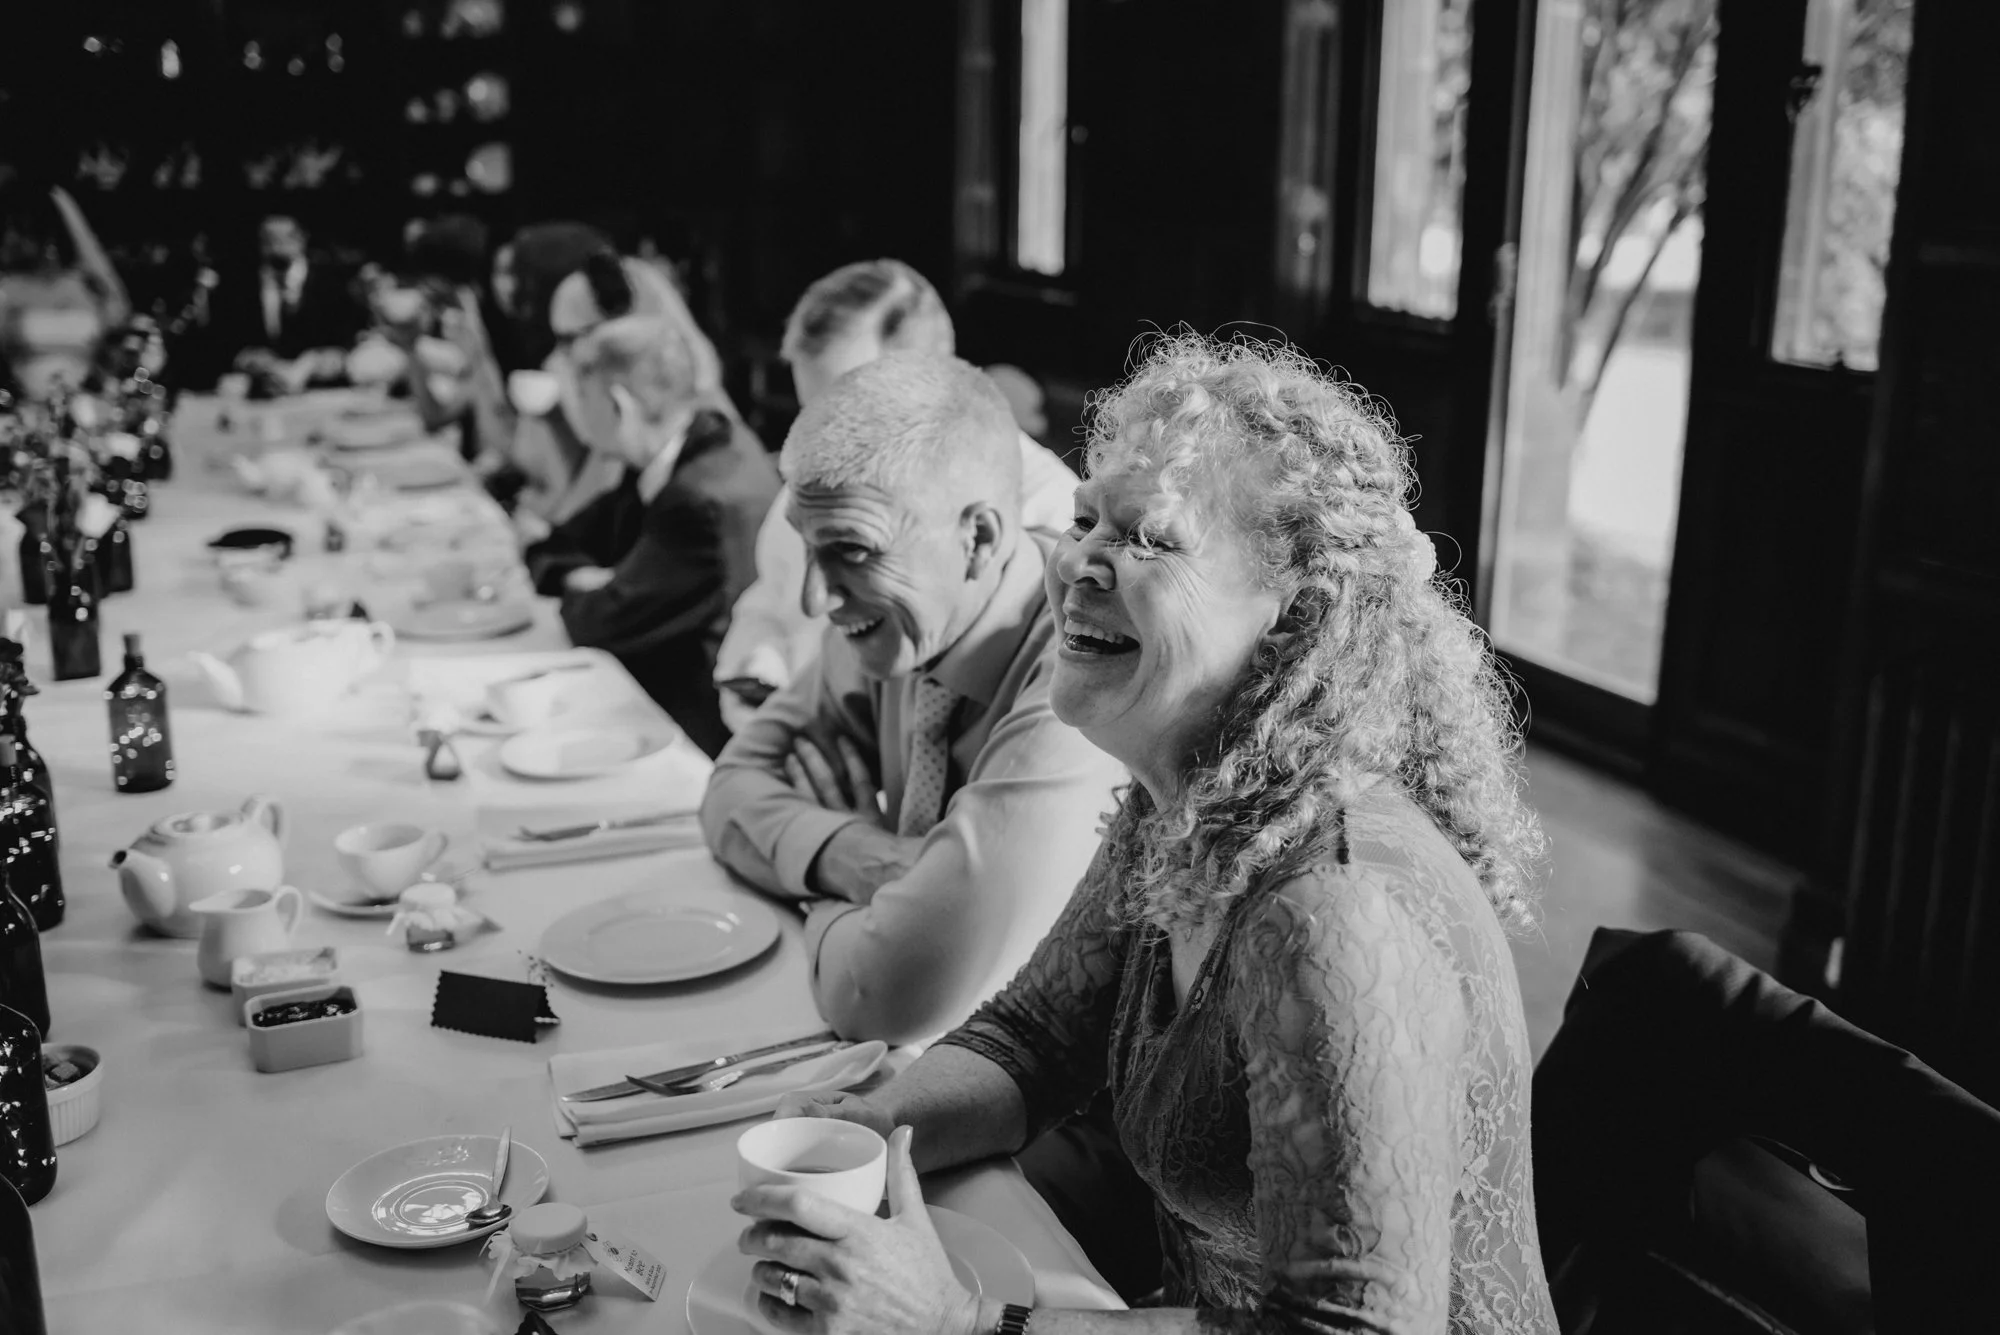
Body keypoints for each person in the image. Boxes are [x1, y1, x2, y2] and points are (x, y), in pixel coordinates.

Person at [737, 335, 1558, 1333]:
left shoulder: (1331, 914)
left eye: (1150, 539)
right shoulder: (1183, 805)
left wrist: (957, 1323)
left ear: (1292, 616)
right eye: (1084, 520)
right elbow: (1032, 1042)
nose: (1081, 561)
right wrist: (870, 1124)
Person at [699, 352, 1124, 1046]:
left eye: (851, 549)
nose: (816, 597)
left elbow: (891, 999)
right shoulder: (888, 621)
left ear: (979, 536)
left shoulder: (1080, 668)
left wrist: (822, 889)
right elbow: (726, 793)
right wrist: (857, 853)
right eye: (808, 548)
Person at [712, 260, 1078, 730]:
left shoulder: (1053, 520)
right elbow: (771, 596)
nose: (830, 437)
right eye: (813, 411)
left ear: (935, 374)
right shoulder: (825, 481)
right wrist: (757, 685)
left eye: (856, 408)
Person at [521, 314, 778, 758]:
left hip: (700, 737)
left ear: (618, 405)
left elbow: (594, 623)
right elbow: (553, 547)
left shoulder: (696, 499)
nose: (575, 405)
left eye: (583, 393)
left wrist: (593, 584)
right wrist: (582, 579)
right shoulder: (674, 451)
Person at [0, 169, 130, 399]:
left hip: (86, 417)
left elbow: (119, 312)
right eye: (6, 229)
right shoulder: (7, 291)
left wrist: (66, 208)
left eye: (18, 228)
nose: (10, 238)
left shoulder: (83, 285)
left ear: (44, 232)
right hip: (23, 419)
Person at [225, 215, 365, 378]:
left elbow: (349, 334)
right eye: (268, 239)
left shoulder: (332, 280)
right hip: (260, 383)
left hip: (322, 383)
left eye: (286, 238)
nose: (276, 246)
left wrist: (334, 354)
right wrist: (244, 356)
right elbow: (228, 336)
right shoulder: (242, 284)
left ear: (301, 238)